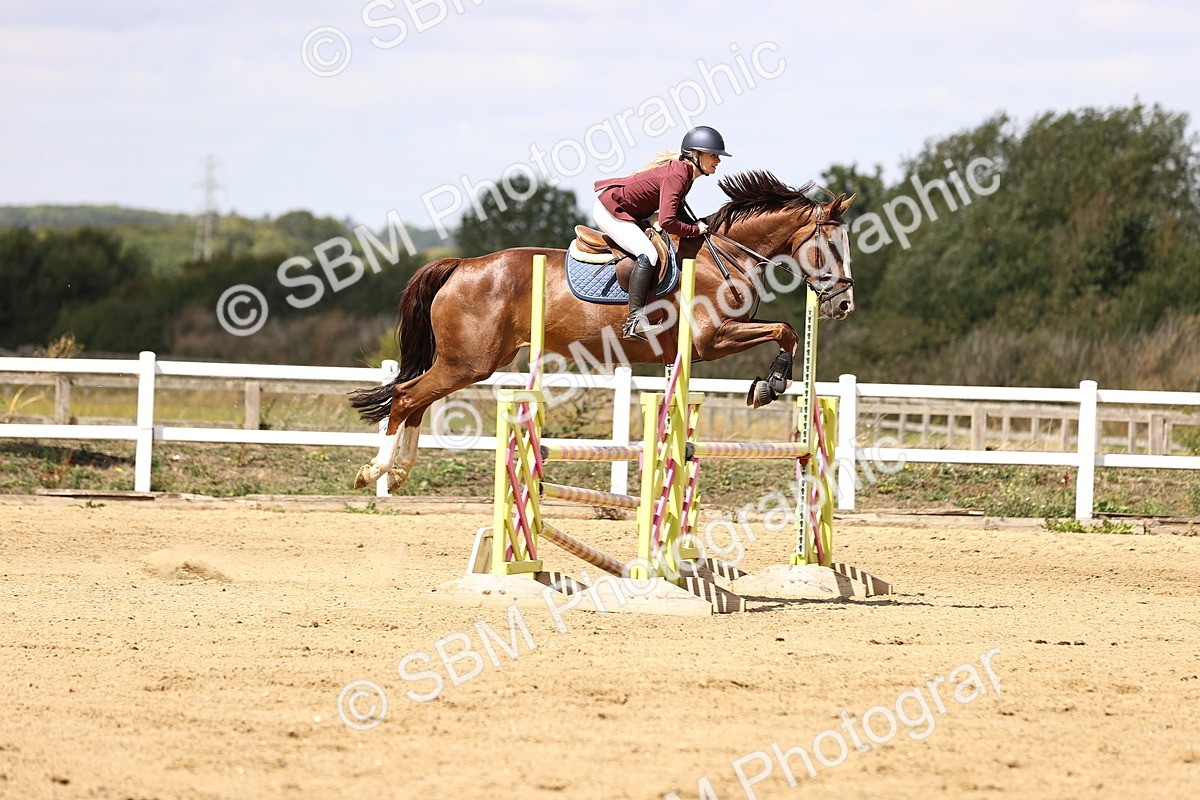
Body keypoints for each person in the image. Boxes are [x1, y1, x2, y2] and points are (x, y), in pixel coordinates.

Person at [593, 125, 731, 340]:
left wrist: (698, 226)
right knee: (648, 254)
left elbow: (677, 211)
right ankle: (635, 321)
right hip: (610, 210)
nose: (718, 160)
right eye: (713, 155)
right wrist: (694, 230)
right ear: (695, 155)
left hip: (630, 211)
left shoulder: (684, 174)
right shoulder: (678, 175)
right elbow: (667, 221)